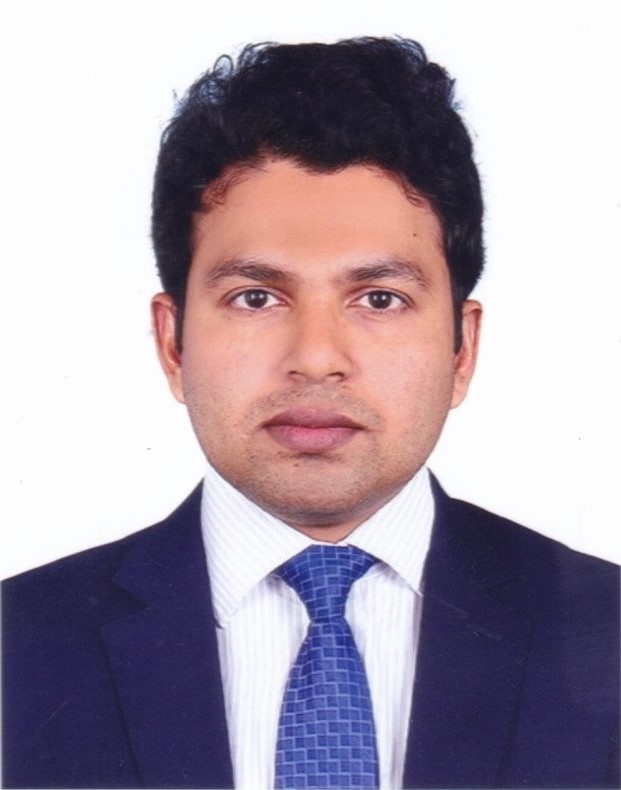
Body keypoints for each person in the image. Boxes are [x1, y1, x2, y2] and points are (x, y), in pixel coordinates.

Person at [2, 37, 618, 790]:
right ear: (173, 343)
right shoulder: (17, 646)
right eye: (256, 297)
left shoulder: (607, 633)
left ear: (462, 349)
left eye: (379, 299)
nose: (317, 357)